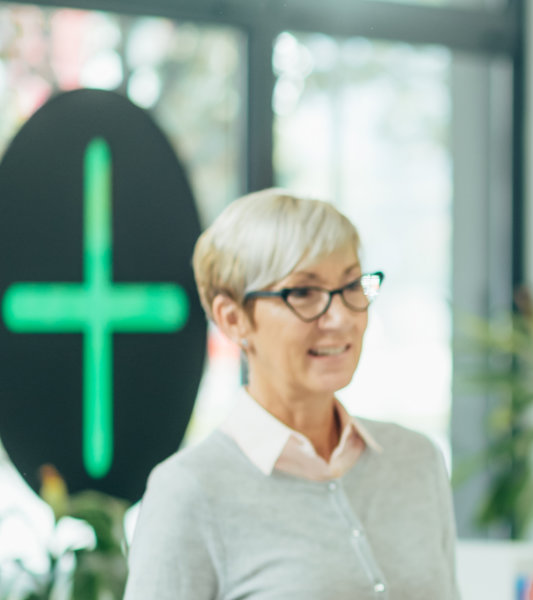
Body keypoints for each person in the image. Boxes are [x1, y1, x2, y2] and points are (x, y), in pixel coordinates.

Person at [125, 190, 457, 599]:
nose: (340, 318)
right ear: (233, 320)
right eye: (303, 292)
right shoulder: (189, 491)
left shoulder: (416, 461)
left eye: (352, 285)